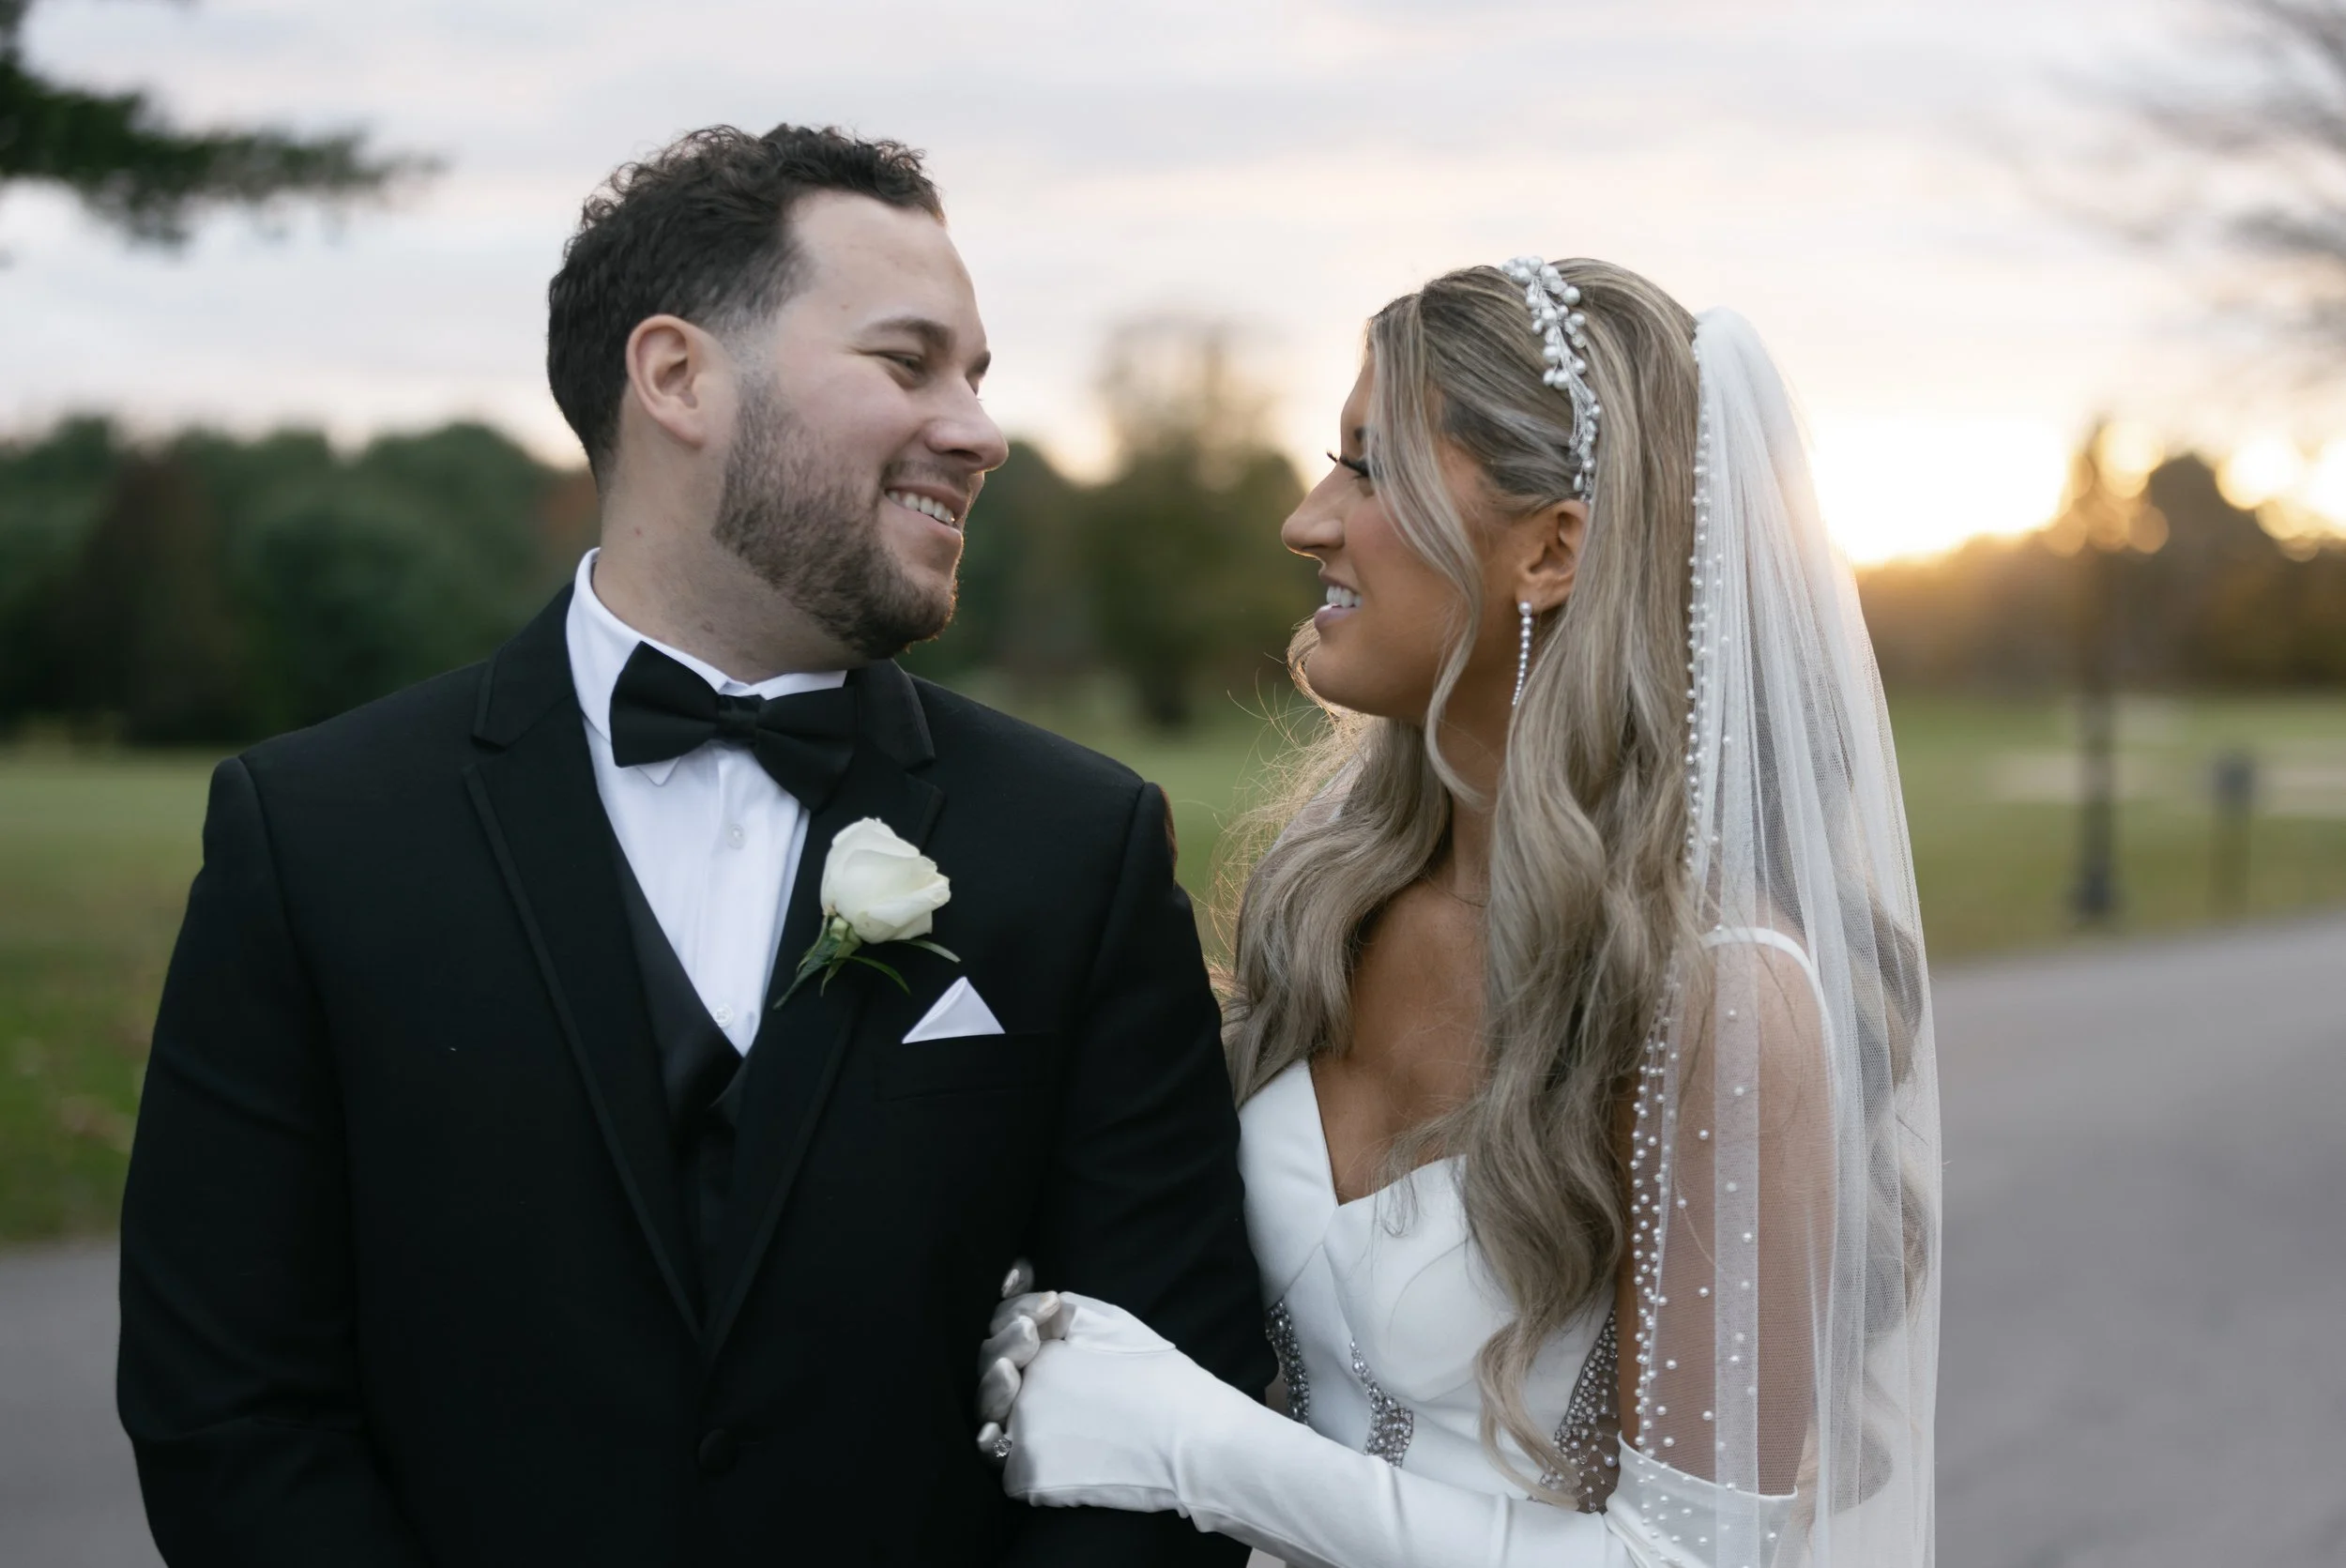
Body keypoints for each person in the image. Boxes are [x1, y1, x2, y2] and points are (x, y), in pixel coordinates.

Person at [115, 123, 1272, 1567]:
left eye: (977, 377)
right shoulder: (315, 834)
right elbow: (227, 1407)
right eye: (909, 363)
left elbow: (1174, 1383)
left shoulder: (1077, 846)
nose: (979, 430)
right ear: (676, 378)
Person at [976, 258, 1940, 1568]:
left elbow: (1692, 1559)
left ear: (1549, 550)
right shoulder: (1331, 890)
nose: (1307, 520)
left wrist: (1193, 1446)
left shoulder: (1716, 997)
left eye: (1370, 469)